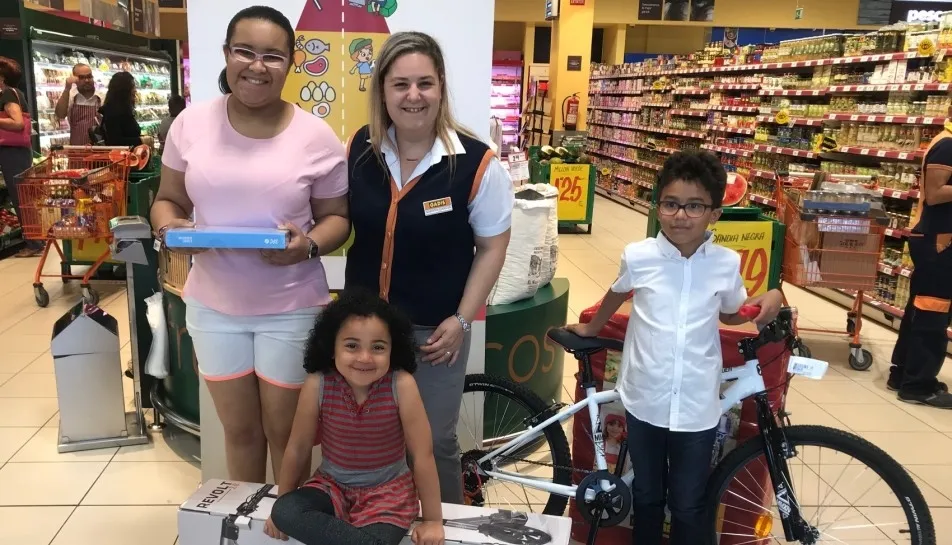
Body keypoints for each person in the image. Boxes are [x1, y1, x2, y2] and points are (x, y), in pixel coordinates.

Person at [149, 5, 350, 484]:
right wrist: (171, 233)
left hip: (291, 306)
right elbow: (167, 200)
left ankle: (287, 524)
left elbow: (337, 219)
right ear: (226, 54)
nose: (257, 66)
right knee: (239, 433)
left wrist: (307, 247)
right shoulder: (190, 126)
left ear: (290, 62)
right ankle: (247, 528)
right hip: (214, 306)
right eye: (245, 51)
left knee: (287, 434)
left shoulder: (316, 137)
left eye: (273, 56)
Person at [566, 150, 784, 545]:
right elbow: (617, 293)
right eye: (671, 204)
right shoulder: (640, 255)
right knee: (647, 497)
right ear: (658, 206)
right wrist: (591, 327)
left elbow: (733, 314)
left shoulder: (725, 263)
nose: (680, 215)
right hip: (646, 397)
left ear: (714, 213)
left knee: (688, 502)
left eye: (694, 206)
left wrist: (772, 297)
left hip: (697, 404)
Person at [345, 31, 513, 504]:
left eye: (424, 83)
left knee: (435, 441)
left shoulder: (476, 163)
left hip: (436, 334)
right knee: (373, 438)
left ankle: (446, 525)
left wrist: (462, 320)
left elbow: (493, 247)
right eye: (400, 84)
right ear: (382, 90)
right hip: (365, 330)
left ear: (441, 86)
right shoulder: (362, 149)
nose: (413, 96)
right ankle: (382, 523)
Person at [266, 290, 444, 545]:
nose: (364, 357)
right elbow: (297, 447)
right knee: (285, 510)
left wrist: (433, 521)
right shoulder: (319, 383)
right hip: (330, 487)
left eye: (378, 347)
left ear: (393, 350)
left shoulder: (401, 384)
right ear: (331, 347)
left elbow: (422, 455)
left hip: (388, 495)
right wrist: (280, 509)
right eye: (351, 345)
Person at [888, 120, 952, 409]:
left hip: (937, 239)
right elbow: (936, 193)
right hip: (941, 242)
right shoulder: (948, 145)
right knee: (933, 313)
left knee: (919, 310)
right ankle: (918, 385)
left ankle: (902, 374)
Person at [0, 56, 41, 258]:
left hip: (12, 151)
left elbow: (17, 123)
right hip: (18, 151)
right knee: (25, 196)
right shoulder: (16, 93)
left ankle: (34, 243)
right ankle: (35, 240)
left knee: (21, 197)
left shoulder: (8, 94)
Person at [54, 63, 100, 146]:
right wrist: (67, 88)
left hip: (98, 150)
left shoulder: (101, 97)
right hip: (76, 150)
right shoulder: (70, 96)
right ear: (74, 78)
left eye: (89, 76)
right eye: (82, 77)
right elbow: (60, 115)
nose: (87, 80)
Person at [99, 71, 142, 147]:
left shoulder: (123, 110)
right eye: (132, 86)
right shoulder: (113, 113)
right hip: (121, 157)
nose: (135, 90)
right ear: (124, 90)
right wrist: (140, 141)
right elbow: (115, 141)